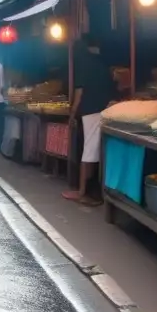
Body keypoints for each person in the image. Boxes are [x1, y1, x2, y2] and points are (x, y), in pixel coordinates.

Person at [64, 35, 118, 206]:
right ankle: (90, 188)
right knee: (94, 150)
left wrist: (72, 115)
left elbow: (79, 93)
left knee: (89, 151)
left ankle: (82, 192)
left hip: (90, 112)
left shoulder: (83, 64)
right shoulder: (102, 64)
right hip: (103, 110)